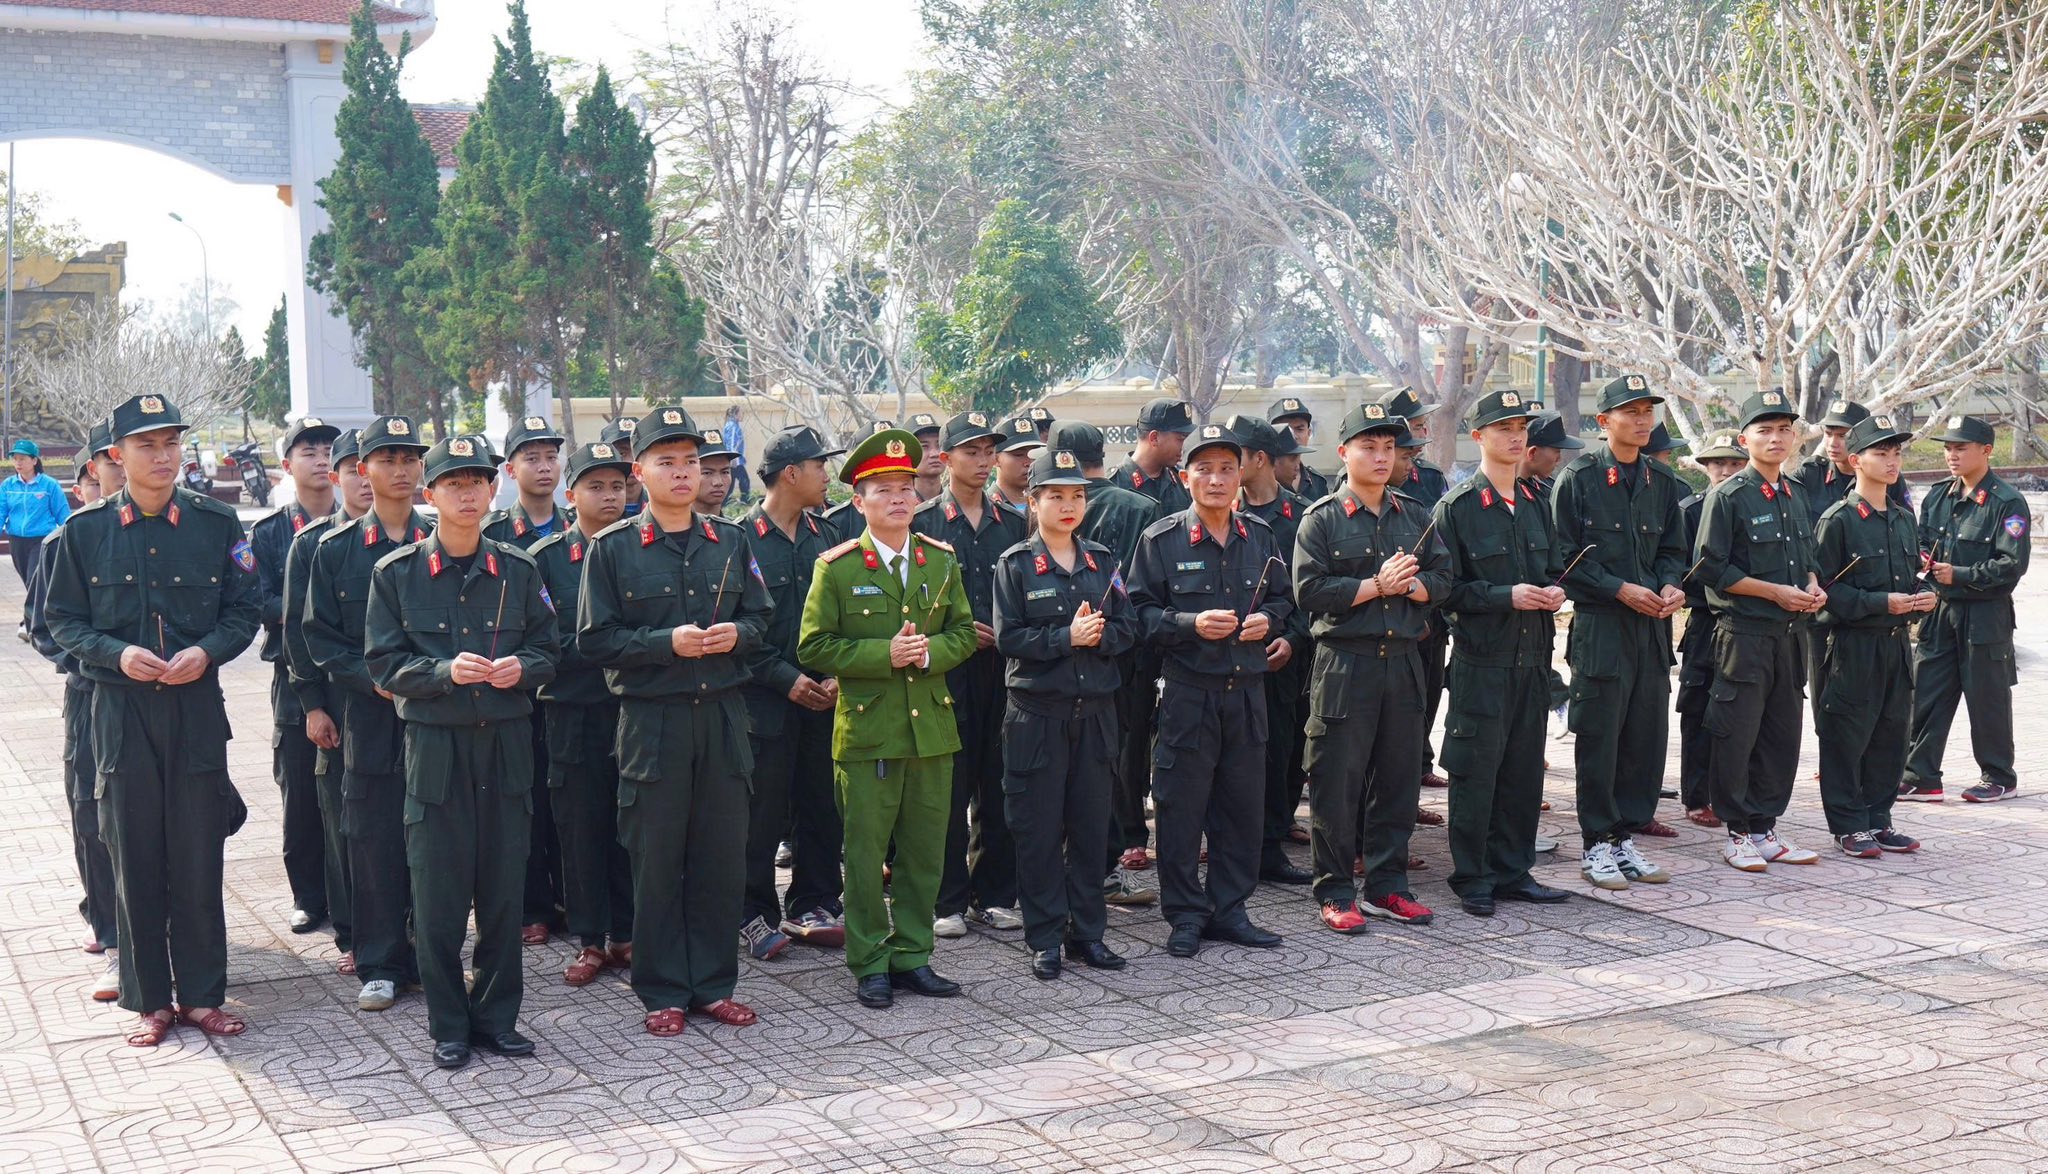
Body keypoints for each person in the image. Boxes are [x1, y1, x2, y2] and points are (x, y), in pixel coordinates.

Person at [43, 393, 260, 1048]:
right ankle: (149, 1000)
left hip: (195, 710)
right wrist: (118, 654)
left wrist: (206, 651)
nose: (163, 457)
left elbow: (243, 611)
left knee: (198, 853)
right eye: (147, 445)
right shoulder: (84, 532)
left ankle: (200, 996)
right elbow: (61, 621)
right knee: (132, 853)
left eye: (171, 444)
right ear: (115, 455)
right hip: (119, 711)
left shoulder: (217, 524)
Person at [578, 406, 773, 1036]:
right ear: (640, 472)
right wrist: (668, 643)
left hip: (721, 718)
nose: (684, 473)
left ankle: (713, 984)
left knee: (720, 856)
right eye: (667, 461)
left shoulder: (733, 540)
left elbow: (762, 619)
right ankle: (661, 988)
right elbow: (595, 639)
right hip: (652, 722)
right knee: (656, 858)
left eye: (691, 461)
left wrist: (733, 635)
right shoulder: (611, 549)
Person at [365, 436, 559, 1070]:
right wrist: (446, 671)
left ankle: (498, 1018)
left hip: (505, 749)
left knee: (503, 892)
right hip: (436, 750)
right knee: (440, 898)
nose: (469, 493)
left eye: (478, 481)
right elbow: (385, 664)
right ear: (431, 495)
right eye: (454, 483)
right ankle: (449, 1023)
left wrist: (520, 670)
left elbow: (550, 652)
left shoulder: (521, 570)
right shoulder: (395, 575)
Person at [796, 428, 978, 1009]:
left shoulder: (940, 559)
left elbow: (963, 632)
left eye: (906, 488)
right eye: (883, 490)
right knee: (866, 854)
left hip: (931, 731)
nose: (899, 499)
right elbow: (814, 647)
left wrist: (929, 652)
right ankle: (870, 960)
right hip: (870, 731)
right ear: (859, 501)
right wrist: (883, 655)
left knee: (926, 852)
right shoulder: (839, 567)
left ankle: (913, 955)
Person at [1128, 422, 1295, 957]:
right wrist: (1188, 625)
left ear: (1241, 477)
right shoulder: (1161, 540)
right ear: (1184, 477)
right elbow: (1137, 614)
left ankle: (1230, 909)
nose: (1217, 479)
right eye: (1204, 469)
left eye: (1227, 468)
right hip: (1187, 694)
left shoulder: (1261, 537)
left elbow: (1284, 601)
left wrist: (1268, 622)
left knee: (1241, 806)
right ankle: (1184, 914)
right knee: (1181, 808)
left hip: (1247, 693)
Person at [1294, 403, 1449, 933]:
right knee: (1337, 782)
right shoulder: (1322, 519)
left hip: (1404, 664)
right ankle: (1336, 890)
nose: (1381, 458)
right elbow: (1309, 591)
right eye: (1369, 447)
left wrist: (1412, 586)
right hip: (1345, 665)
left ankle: (1388, 885)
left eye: (1389, 448)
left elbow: (1445, 578)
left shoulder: (1415, 515)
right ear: (1344, 454)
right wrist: (1374, 587)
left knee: (1399, 780)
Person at [993, 447, 1141, 980]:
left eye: (1076, 495)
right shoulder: (1014, 565)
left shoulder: (1102, 562)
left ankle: (1089, 934)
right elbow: (1010, 637)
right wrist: (1066, 636)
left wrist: (1099, 635)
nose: (1068, 505)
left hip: (1095, 714)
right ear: (1033, 503)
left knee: (1088, 828)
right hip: (1038, 716)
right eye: (1055, 495)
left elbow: (1128, 628)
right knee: (1037, 830)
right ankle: (1045, 937)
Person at [304, 415, 433, 1011]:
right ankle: (381, 963)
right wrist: (375, 679)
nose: (401, 470)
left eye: (410, 459)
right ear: (363, 470)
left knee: (437, 843)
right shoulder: (336, 551)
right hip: (370, 720)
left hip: (438, 718)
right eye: (388, 460)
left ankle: (433, 957)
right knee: (374, 840)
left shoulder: (445, 539)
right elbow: (320, 639)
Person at [1431, 390, 1572, 918]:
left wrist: (1555, 590)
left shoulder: (1538, 501)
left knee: (1522, 772)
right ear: (1479, 437)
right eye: (1503, 428)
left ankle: (1514, 870)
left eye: (1521, 428)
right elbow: (1443, 589)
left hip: (1533, 658)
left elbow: (1555, 565)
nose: (1516, 437)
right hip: (1482, 662)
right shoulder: (1459, 507)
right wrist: (1502, 596)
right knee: (1476, 772)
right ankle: (1473, 876)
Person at [1550, 375, 1687, 890]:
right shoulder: (1579, 479)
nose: (1642, 420)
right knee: (1601, 738)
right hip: (1602, 627)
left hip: (1651, 630)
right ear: (1603, 422)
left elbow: (1675, 549)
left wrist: (1672, 585)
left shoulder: (1663, 481)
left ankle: (1625, 838)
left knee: (1644, 739)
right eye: (1630, 412)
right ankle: (1596, 844)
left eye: (1648, 411)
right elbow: (1562, 557)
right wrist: (1618, 589)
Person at [1695, 388, 1826, 871]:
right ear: (1743, 438)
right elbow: (1711, 568)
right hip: (1744, 635)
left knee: (1781, 733)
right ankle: (1736, 832)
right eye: (1764, 430)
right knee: (1737, 733)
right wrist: (1774, 592)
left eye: (1784, 429)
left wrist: (1812, 586)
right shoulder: (1729, 495)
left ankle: (1765, 826)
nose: (1776, 438)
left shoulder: (1795, 494)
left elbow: (1806, 559)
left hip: (1790, 636)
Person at [914, 412, 1029, 936]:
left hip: (1004, 670)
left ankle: (996, 892)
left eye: (989, 452)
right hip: (946, 673)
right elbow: (908, 606)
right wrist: (953, 636)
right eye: (971, 452)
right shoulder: (924, 524)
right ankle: (948, 900)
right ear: (944, 459)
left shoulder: (1012, 523)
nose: (983, 462)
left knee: (999, 780)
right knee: (948, 784)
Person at [737, 425, 848, 960]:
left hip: (825, 700)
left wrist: (835, 676)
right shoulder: (738, 540)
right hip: (763, 703)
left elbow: (848, 618)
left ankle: (816, 901)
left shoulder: (827, 538)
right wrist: (788, 680)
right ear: (790, 474)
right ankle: (753, 914)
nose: (827, 475)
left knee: (822, 805)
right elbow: (734, 630)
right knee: (760, 816)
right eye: (819, 466)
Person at [531, 443, 637, 987]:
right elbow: (545, 643)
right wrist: (616, 648)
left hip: (633, 711)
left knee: (632, 824)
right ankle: (591, 939)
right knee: (579, 828)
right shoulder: (546, 560)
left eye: (618, 486)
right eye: (596, 486)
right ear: (571, 496)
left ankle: (629, 933)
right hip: (572, 713)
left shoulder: (641, 548)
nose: (610, 496)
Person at [26, 418, 123, 1003]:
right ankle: (114, 942)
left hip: (166, 704)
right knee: (95, 818)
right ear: (93, 472)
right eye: (115, 461)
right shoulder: (68, 541)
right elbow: (44, 628)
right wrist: (101, 664)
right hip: (93, 702)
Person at [1047, 420, 1161, 906]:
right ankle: (1106, 865)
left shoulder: (1037, 508)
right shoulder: (1143, 507)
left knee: (1054, 772)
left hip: (1052, 664)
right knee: (1110, 764)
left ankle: (1060, 871)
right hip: (1121, 659)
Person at [1812, 414, 1934, 857]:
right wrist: (1878, 603)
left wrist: (1926, 596)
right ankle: (1848, 825)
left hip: (1896, 644)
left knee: (1890, 733)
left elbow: (1915, 574)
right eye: (1881, 453)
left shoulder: (1902, 518)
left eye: (1897, 452)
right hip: (1851, 646)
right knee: (1847, 735)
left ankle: (1878, 819)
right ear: (1856, 459)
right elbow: (1823, 591)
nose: (1891, 461)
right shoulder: (1838, 519)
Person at [1900, 414, 2032, 803]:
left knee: (1986, 695)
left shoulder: (2007, 502)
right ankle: (1920, 774)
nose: (1951, 455)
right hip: (1940, 611)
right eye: (1948, 447)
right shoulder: (1939, 495)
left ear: (1986, 451)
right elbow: (1921, 540)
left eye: (1960, 447)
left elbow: (2011, 565)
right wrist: (1923, 560)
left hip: (1985, 615)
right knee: (1927, 691)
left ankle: (1998, 776)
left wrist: (1959, 574)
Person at [248, 416, 341, 936]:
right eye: (308, 451)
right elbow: (255, 599)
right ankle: (309, 896)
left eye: (329, 449)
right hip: (294, 677)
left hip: (351, 674)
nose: (321, 458)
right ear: (287, 466)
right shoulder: (270, 534)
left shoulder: (360, 522)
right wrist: (312, 609)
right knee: (301, 791)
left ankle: (354, 892)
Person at [283, 427, 370, 974]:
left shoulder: (422, 538)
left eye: (378, 465)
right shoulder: (313, 543)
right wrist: (312, 705)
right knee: (344, 822)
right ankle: (354, 931)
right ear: (338, 478)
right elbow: (298, 633)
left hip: (406, 703)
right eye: (355, 468)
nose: (368, 478)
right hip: (339, 704)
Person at [485, 415, 569, 945]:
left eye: (550, 456)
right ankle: (530, 903)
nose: (543, 467)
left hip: (571, 689)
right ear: (511, 469)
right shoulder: (492, 535)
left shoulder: (580, 523)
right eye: (531, 458)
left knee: (569, 798)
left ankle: (569, 897)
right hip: (515, 691)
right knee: (523, 800)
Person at [1223, 414, 1314, 887]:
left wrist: (1292, 636)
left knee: (1280, 752)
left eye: (1232, 458)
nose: (1220, 472)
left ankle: (1269, 847)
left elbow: (1309, 591)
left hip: (1280, 659)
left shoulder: (1301, 517)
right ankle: (1226, 846)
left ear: (1258, 460)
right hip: (1221, 660)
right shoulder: (1213, 512)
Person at [1378, 387, 1451, 800]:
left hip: (1429, 601)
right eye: (1415, 421)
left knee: (1429, 688)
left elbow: (1440, 547)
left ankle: (1419, 767)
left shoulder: (1430, 477)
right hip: (1388, 612)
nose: (1422, 428)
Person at [1674, 431, 1747, 829]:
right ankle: (1697, 795)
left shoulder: (1752, 508)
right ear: (1704, 467)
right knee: (1698, 710)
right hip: (1705, 622)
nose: (1725, 470)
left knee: (1742, 712)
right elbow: (1683, 572)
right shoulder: (1690, 511)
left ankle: (1734, 791)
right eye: (1717, 463)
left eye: (1735, 463)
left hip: (1747, 624)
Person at [1110, 397, 1194, 516]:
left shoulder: (1183, 482)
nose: (1185, 446)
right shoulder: (1115, 485)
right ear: (1154, 438)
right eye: (1181, 438)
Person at [4, 438, 71, 588]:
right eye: (15, 459)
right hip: (16, 541)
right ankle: (39, 609)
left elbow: (62, 513)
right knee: (29, 582)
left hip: (42, 540)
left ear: (34, 460)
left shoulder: (49, 485)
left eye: (22, 459)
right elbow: (1, 511)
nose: (18, 463)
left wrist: (71, 536)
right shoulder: (8, 485)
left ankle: (35, 611)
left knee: (34, 580)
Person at [1269, 395, 1331, 501]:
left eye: (1299, 429)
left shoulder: (1318, 481)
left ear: (1309, 433)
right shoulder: (1263, 481)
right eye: (1286, 429)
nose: (1294, 435)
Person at [1521, 411, 1584, 493]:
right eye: (1557, 451)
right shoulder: (1506, 493)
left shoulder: (1543, 491)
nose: (1559, 459)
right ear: (1533, 452)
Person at [990, 416, 1040, 515]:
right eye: (1018, 455)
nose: (1029, 462)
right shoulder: (984, 508)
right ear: (995, 459)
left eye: (1034, 454)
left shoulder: (1048, 505)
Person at [602, 416, 646, 517]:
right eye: (621, 453)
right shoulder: (588, 511)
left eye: (637, 451)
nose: (632, 461)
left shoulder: (664, 506)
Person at [696, 430, 738, 517]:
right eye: (707, 473)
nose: (718, 482)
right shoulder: (671, 529)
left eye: (725, 472)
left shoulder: (737, 530)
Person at [907, 412, 945, 501]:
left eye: (939, 445)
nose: (935, 454)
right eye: (924, 447)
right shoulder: (902, 506)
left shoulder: (956, 504)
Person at [721, 405, 752, 501]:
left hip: (735, 459)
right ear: (735, 414)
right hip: (735, 460)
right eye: (741, 413)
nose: (742, 415)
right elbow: (731, 442)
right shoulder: (733, 426)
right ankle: (744, 500)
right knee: (744, 480)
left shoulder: (732, 425)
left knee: (731, 483)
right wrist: (733, 458)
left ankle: (724, 502)